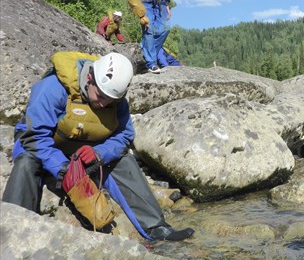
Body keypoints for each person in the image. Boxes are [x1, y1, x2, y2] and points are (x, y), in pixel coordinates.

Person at [2, 51, 194, 241]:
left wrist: (98, 153)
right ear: (89, 78)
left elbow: (124, 136)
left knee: (123, 161)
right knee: (27, 163)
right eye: (101, 96)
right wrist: (63, 169)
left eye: (111, 100)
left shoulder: (116, 99)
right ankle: (12, 230)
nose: (104, 104)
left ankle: (156, 228)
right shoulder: (53, 87)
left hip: (84, 148)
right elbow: (34, 135)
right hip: (41, 145)